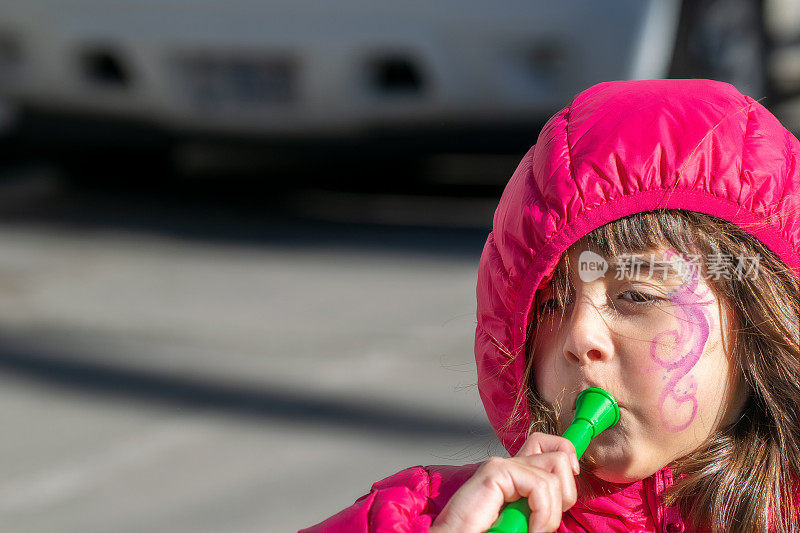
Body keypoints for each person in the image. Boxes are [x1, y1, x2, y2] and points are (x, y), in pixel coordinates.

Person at [300, 79, 800, 533]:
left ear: (757, 319)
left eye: (636, 295)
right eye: (553, 303)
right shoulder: (422, 518)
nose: (580, 336)